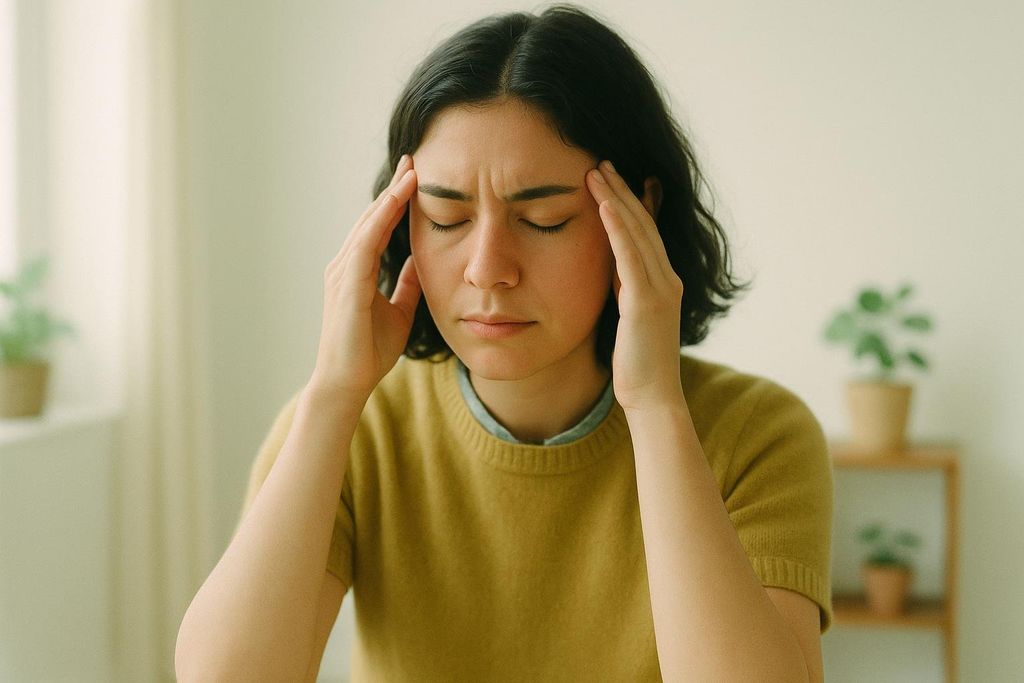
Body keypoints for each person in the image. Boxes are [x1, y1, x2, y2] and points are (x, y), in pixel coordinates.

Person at [175, 4, 833, 682]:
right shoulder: (356, 430)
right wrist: (335, 395)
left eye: (543, 219)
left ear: (640, 211)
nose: (488, 267)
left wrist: (657, 406)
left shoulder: (758, 434)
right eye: (446, 216)